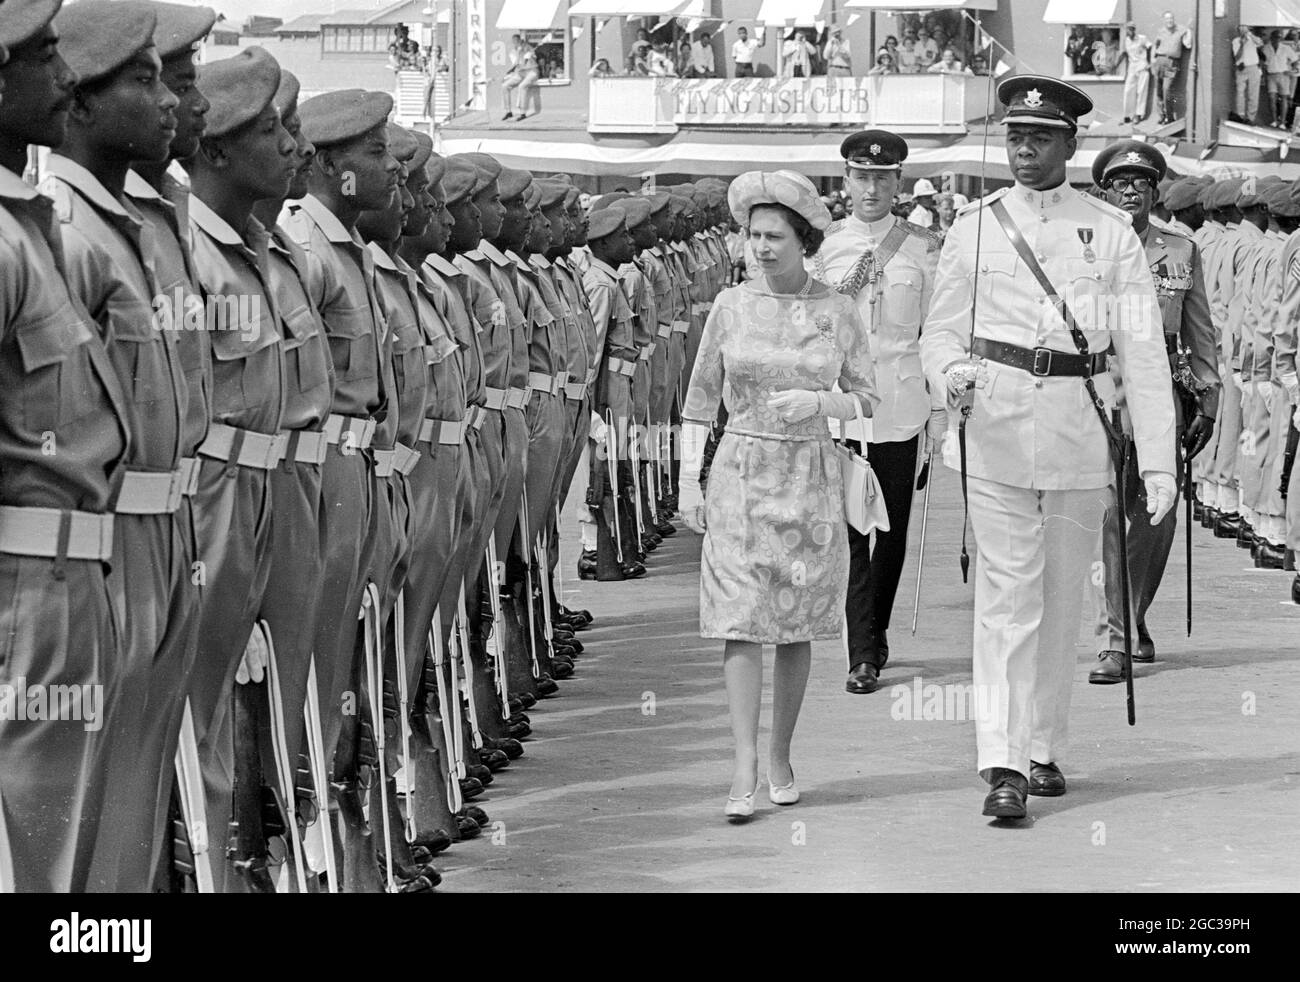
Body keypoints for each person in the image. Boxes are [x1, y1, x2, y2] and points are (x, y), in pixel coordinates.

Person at [919, 76, 1176, 820]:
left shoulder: (1111, 230)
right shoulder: (974, 226)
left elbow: (1143, 351)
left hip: (1076, 430)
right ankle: (1000, 762)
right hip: (993, 428)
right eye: (1014, 137)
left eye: (1039, 138)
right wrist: (948, 374)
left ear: (1070, 144)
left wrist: (1156, 459)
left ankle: (1042, 747)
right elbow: (937, 334)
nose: (1024, 149)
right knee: (1005, 600)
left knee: (1062, 600)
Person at [42, 0, 192, 892]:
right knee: (81, 805)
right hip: (100, 547)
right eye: (145, 81)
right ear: (83, 105)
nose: (171, 101)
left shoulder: (130, 227)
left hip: (163, 531)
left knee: (135, 785)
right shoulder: (66, 231)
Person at [679, 169, 878, 820]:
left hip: (808, 475)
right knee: (740, 617)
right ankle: (741, 761)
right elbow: (699, 400)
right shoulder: (730, 306)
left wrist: (821, 400)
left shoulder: (836, 310)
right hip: (739, 467)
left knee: (793, 623)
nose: (761, 248)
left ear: (804, 239)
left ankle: (781, 754)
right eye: (753, 235)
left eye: (775, 236)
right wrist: (689, 479)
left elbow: (868, 397)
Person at [0, 0, 132, 893]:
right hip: (24, 593)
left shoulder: (28, 227)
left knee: (67, 848)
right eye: (42, 55)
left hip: (73, 581)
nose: (62, 74)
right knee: (29, 849)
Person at [812, 132, 942, 696]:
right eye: (861, 177)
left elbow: (936, 332)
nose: (871, 188)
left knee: (890, 531)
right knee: (848, 532)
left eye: (883, 179)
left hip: (901, 405)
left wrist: (939, 410)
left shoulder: (923, 247)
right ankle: (860, 650)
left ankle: (876, 629)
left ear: (898, 184)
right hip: (844, 409)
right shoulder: (824, 247)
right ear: (846, 181)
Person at [1089, 141, 1219, 683]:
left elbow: (1200, 332)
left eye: (1141, 183)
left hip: (1162, 392)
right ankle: (1114, 636)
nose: (1130, 191)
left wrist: (1209, 401)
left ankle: (1133, 613)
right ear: (1105, 191)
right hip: (1098, 389)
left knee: (1155, 515)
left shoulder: (1180, 251)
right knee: (1109, 516)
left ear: (1155, 191)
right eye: (1119, 183)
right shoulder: (1087, 247)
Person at [1154, 10, 1193, 124]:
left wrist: (1189, 30)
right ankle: (1162, 116)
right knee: (1159, 91)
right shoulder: (1160, 31)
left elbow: (1188, 44)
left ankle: (1169, 117)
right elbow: (1155, 45)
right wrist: (1153, 59)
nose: (1169, 21)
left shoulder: (1181, 30)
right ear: (1164, 21)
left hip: (1172, 63)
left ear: (1174, 19)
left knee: (1167, 89)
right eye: (1167, 19)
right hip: (1159, 61)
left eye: (1171, 18)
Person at [1121, 22, 1153, 123]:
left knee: (1141, 91)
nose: (1130, 31)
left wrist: (1150, 62)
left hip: (1142, 67)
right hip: (1132, 68)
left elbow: (1151, 47)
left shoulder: (1142, 38)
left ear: (1134, 30)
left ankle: (1138, 115)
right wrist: (1114, 65)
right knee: (1128, 91)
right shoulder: (1126, 40)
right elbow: (1124, 53)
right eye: (1128, 29)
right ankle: (1127, 115)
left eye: (1132, 29)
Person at [1233, 24, 1265, 125]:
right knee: (1240, 92)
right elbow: (1237, 56)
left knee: (1253, 93)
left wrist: (1249, 34)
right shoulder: (1236, 41)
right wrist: (1242, 44)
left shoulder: (1252, 39)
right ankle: (1240, 115)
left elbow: (1260, 43)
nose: (1243, 31)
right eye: (1241, 29)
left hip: (1253, 67)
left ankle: (1250, 118)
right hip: (1241, 67)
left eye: (1245, 29)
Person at [1264, 30, 1297, 128]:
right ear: (1272, 38)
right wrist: (1265, 76)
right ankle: (1274, 120)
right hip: (1271, 75)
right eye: (1275, 37)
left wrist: (1292, 70)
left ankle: (1282, 122)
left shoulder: (1286, 48)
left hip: (1283, 74)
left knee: (1284, 98)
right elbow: (1264, 63)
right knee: (1272, 98)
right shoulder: (1266, 48)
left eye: (1279, 38)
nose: (1277, 40)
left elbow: (1295, 60)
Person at [505, 39, 540, 121]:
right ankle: (508, 112)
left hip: (532, 71)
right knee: (505, 86)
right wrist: (510, 71)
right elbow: (516, 64)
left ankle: (523, 113)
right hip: (522, 72)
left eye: (519, 44)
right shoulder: (514, 52)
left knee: (522, 86)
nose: (517, 46)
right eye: (515, 43)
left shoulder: (528, 49)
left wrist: (529, 54)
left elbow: (532, 56)